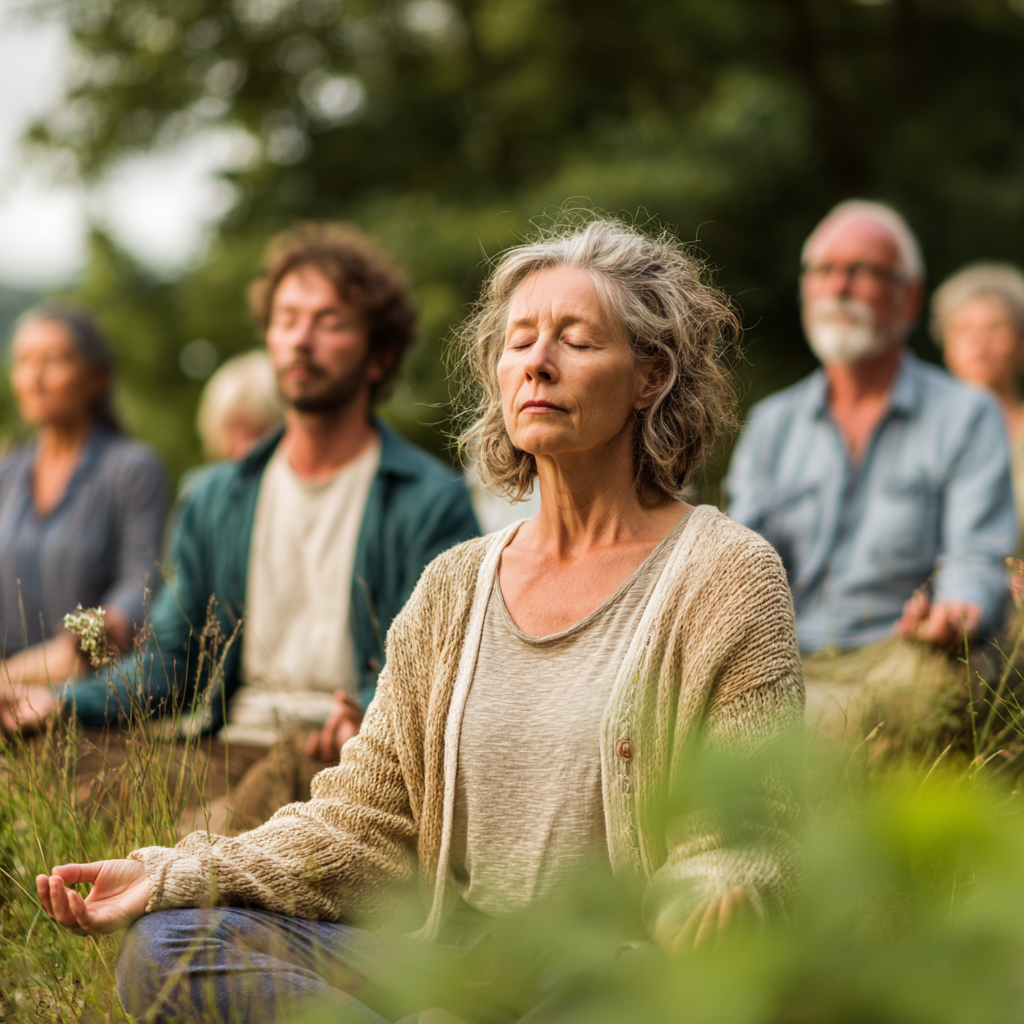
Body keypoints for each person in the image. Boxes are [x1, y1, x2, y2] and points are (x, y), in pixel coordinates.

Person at [35, 218, 804, 1024]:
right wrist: (170, 876)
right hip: (443, 960)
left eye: (576, 341)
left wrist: (717, 890)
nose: (537, 362)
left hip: (608, 971)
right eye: (519, 342)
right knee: (167, 952)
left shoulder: (724, 572)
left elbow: (754, 826)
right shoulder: (455, 585)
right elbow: (361, 822)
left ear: (650, 377)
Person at [4, 223, 479, 832]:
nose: (300, 340)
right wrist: (53, 702)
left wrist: (364, 710)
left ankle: (185, 861)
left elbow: (442, 675)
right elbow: (167, 663)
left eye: (329, 321)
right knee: (27, 767)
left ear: (379, 354)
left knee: (244, 806)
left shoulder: (430, 501)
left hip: (337, 761)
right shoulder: (218, 498)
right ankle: (181, 853)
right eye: (286, 319)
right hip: (222, 749)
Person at [725, 201, 1016, 740]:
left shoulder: (966, 415)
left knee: (927, 689)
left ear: (908, 297)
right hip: (781, 661)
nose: (838, 286)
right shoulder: (770, 424)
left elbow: (976, 555)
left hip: (901, 656)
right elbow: (741, 564)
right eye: (822, 270)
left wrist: (957, 610)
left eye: (861, 271)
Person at [0, 305, 166, 697]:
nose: (34, 378)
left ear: (97, 378)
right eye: (23, 362)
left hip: (86, 687)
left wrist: (103, 626)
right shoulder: (7, 473)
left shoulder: (132, 469)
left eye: (53, 361)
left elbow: (140, 582)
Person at [931, 263, 1024, 553]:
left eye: (994, 329)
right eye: (963, 330)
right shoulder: (923, 430)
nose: (978, 343)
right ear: (945, 346)